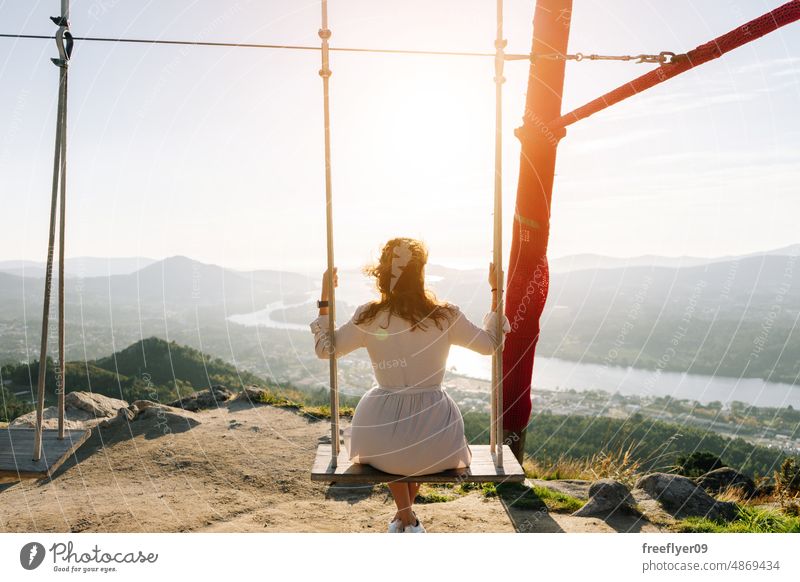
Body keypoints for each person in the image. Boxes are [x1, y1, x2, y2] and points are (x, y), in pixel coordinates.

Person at [309, 237, 510, 533]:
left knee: (395, 444)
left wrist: (325, 299)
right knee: (413, 444)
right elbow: (491, 344)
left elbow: (326, 350)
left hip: (380, 431)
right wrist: (496, 290)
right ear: (420, 273)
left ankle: (404, 518)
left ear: (383, 272)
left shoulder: (370, 316)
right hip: (437, 436)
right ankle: (407, 520)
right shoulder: (445, 316)